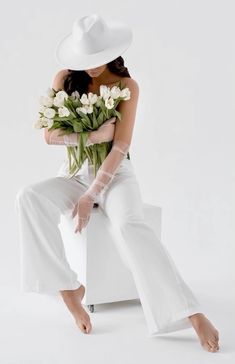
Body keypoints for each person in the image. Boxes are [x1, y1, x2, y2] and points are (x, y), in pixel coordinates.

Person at [14, 14, 219, 352]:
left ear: (111, 51)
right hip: (75, 172)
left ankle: (190, 312)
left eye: (97, 59)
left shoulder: (127, 86)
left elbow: (121, 146)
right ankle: (69, 289)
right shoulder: (64, 79)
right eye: (85, 60)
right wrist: (91, 135)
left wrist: (93, 194)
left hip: (116, 175)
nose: (91, 67)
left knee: (128, 226)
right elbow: (49, 135)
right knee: (28, 197)